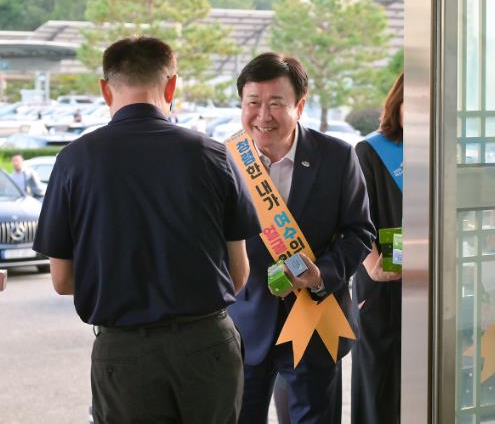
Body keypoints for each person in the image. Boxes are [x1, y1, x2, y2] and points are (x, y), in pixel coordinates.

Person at [33, 36, 260, 424]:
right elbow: (239, 273)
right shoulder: (213, 155)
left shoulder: (74, 161)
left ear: (105, 90)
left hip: (124, 354)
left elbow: (62, 279)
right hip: (207, 346)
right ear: (172, 86)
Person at [227, 52, 375, 424]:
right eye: (253, 103)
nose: (263, 116)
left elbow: (359, 231)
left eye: (276, 103)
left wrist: (322, 273)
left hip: (316, 319)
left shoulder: (337, 156)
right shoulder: (223, 161)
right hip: (244, 323)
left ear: (300, 106)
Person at [351, 73, 404, 424]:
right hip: (381, 280)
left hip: (432, 279)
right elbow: (354, 217)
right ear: (396, 104)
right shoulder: (370, 151)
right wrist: (372, 263)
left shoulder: (443, 151)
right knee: (379, 374)